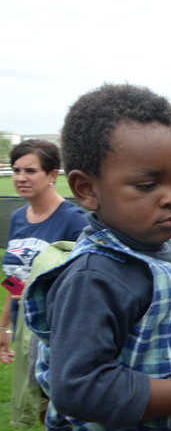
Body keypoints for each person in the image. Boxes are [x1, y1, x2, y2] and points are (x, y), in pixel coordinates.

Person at [22, 83, 171, 430]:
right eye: (147, 185)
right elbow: (77, 387)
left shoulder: (168, 252)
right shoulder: (95, 277)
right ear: (87, 189)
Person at [0, 139, 87, 428]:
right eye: (16, 170)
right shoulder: (17, 218)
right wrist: (5, 326)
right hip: (23, 329)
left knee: (61, 409)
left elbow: (83, 282)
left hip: (56, 334)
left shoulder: (74, 221)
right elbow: (13, 276)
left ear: (52, 174)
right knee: (38, 406)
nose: (21, 178)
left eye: (30, 171)